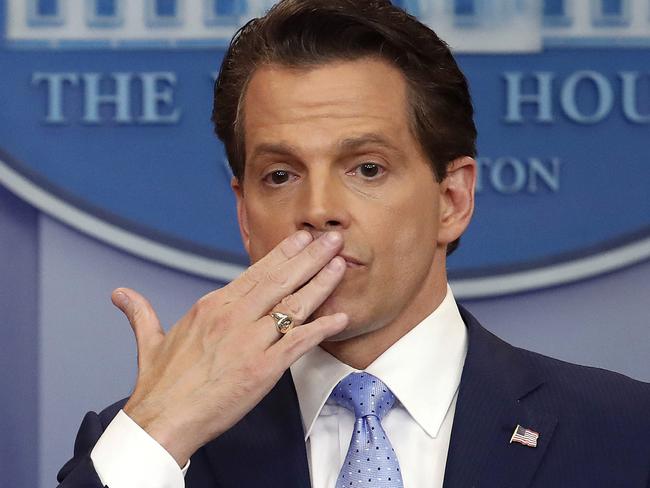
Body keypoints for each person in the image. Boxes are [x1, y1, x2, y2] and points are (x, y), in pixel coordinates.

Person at [57, 1, 650, 487]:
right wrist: (162, 426)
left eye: (366, 168)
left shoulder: (625, 432)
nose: (317, 210)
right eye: (281, 175)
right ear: (244, 213)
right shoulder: (145, 444)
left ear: (452, 200)